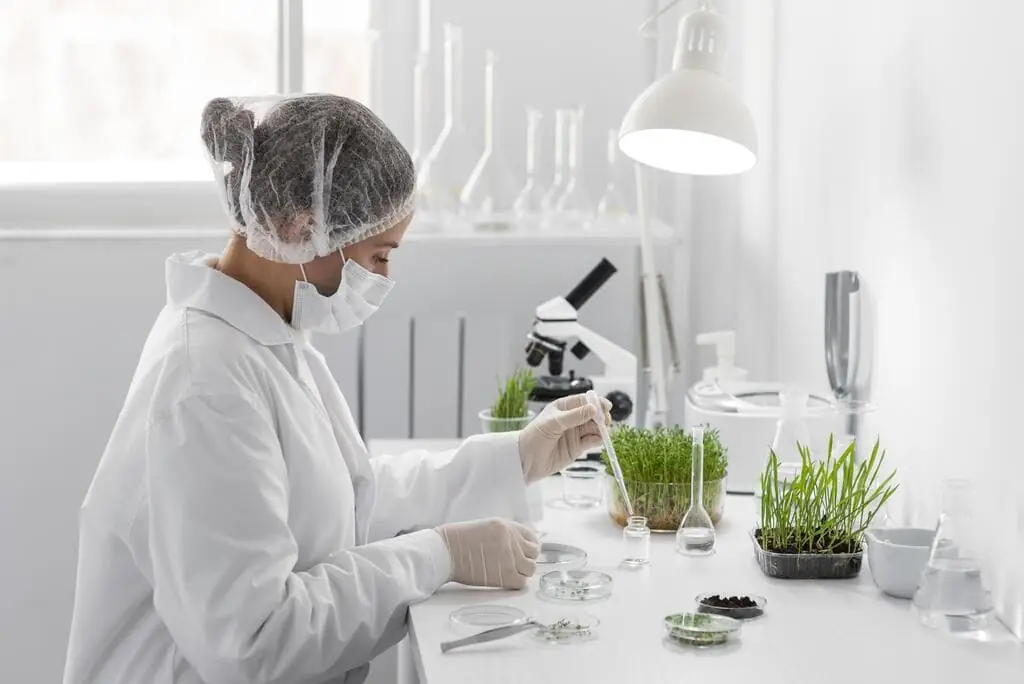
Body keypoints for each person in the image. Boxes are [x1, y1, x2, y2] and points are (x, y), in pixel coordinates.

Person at [63, 94, 611, 684]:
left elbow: (344, 503)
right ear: (301, 227)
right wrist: (439, 555)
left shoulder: (267, 337)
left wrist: (514, 458)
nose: (384, 279)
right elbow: (255, 642)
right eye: (379, 255)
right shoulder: (206, 384)